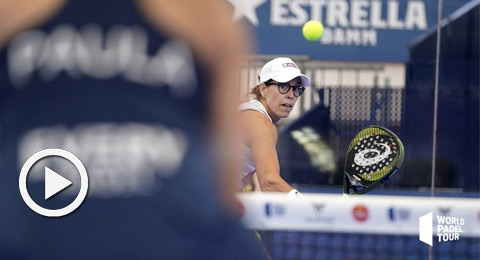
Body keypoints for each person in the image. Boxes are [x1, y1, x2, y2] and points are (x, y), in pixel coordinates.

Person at [0, 0, 265, 259]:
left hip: (33, 229)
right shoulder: (204, 16)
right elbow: (224, 179)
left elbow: (224, 173)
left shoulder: (207, 18)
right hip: (176, 234)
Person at [239, 57, 310, 196]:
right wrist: (305, 204)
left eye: (297, 88)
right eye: (283, 86)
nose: (291, 95)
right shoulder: (261, 123)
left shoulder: (251, 114)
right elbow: (269, 184)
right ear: (263, 89)